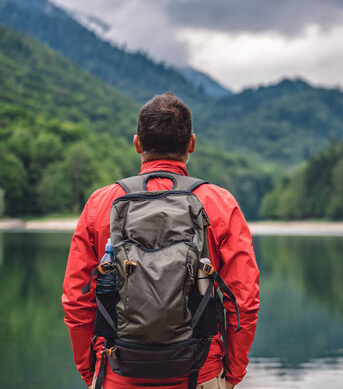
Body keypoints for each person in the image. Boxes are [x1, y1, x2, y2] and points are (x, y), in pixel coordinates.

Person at [62, 92, 260, 389]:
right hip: (200, 373)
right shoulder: (219, 203)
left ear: (137, 143)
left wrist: (90, 369)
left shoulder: (102, 203)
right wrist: (231, 373)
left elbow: (77, 300)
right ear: (191, 143)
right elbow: (244, 301)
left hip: (118, 374)